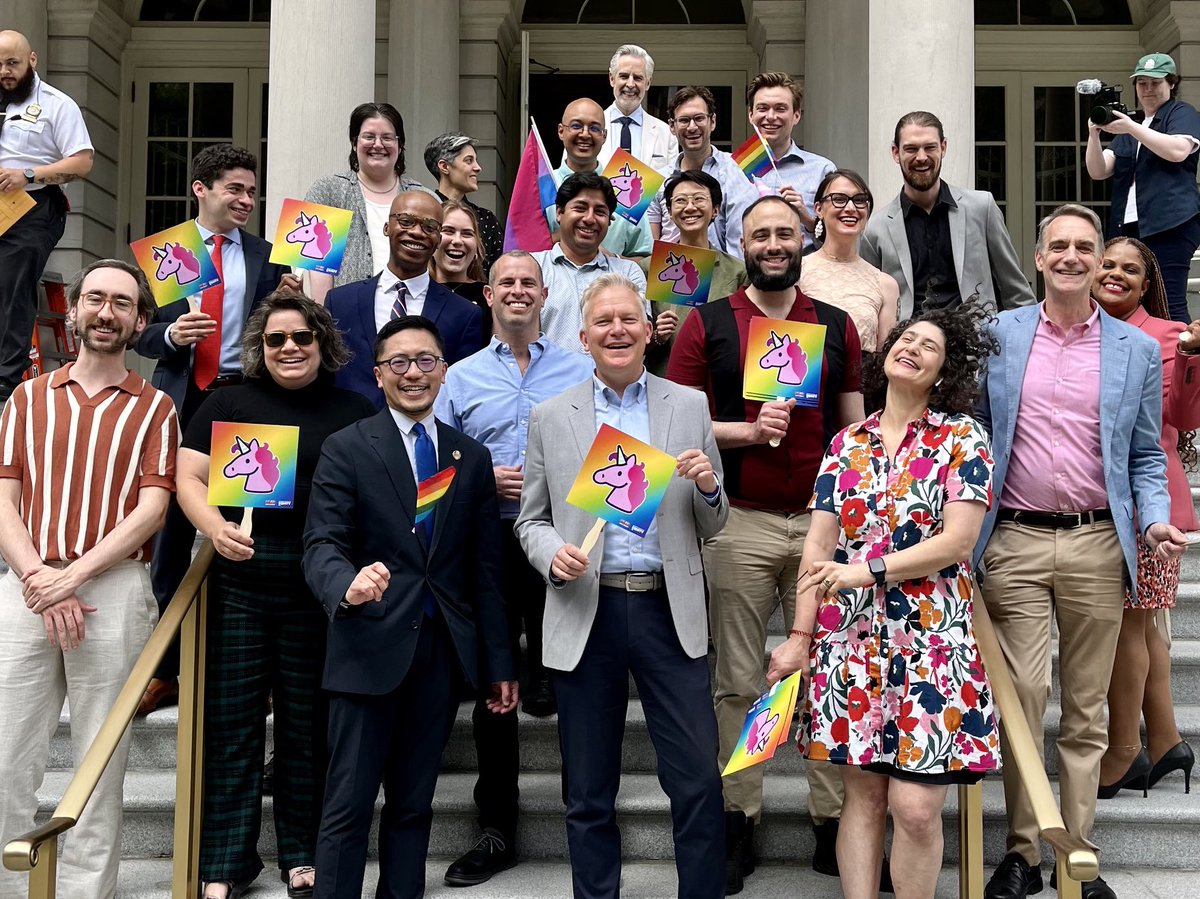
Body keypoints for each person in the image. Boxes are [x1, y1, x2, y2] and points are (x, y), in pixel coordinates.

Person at [974, 204, 1186, 899]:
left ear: (1099, 261)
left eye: (1084, 247)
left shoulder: (1133, 349)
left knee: (1087, 709)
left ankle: (1078, 855)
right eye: (1058, 245)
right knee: (1024, 697)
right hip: (1014, 539)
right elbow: (976, 434)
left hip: (1099, 542)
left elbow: (1146, 454)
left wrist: (1154, 521)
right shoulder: (1000, 334)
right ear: (1038, 258)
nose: (1071, 256)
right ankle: (1022, 852)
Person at [667, 196, 866, 894]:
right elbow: (679, 425)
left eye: (785, 232)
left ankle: (832, 821)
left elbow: (854, 429)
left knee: (827, 672)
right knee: (738, 679)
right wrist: (750, 432)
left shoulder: (835, 325)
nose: (774, 244)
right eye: (760, 235)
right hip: (740, 521)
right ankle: (740, 815)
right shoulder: (707, 322)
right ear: (742, 243)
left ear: (804, 238)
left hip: (822, 523)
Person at [767, 306, 1001, 899]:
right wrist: (798, 638)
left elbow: (958, 542)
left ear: (945, 372)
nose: (913, 348)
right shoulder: (846, 443)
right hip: (850, 643)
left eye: (930, 346)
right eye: (906, 338)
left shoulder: (962, 438)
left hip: (932, 645)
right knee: (864, 799)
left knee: (916, 809)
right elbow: (818, 546)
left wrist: (866, 571)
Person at [516, 273, 728, 899]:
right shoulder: (550, 416)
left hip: (669, 608)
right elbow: (530, 520)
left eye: (628, 319)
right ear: (583, 338)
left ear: (647, 331)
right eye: (603, 322)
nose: (617, 330)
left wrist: (708, 486)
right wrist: (552, 554)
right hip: (589, 609)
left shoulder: (688, 405)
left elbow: (714, 523)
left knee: (698, 779)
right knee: (587, 789)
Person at [303, 315, 518, 899]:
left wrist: (499, 663)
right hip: (367, 647)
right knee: (348, 804)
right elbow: (321, 543)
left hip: (440, 654)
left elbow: (485, 571)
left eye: (426, 361)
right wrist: (346, 584)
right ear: (378, 374)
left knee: (414, 803)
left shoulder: (469, 456)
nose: (413, 373)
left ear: (444, 371)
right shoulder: (347, 447)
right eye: (398, 362)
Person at [175, 293, 374, 899]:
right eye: (276, 339)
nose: (290, 347)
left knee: (305, 725)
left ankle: (302, 853)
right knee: (231, 722)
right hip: (240, 575)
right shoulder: (228, 401)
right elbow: (188, 477)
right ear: (259, 347)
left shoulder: (352, 409)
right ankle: (225, 862)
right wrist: (216, 529)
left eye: (302, 337)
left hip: (318, 581)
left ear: (323, 343)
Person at [0, 259, 177, 898]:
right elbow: (4, 498)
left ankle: (83, 891)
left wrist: (69, 578)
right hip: (26, 583)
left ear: (140, 320)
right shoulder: (26, 398)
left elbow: (152, 511)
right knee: (6, 752)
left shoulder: (156, 407)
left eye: (122, 303)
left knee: (101, 757)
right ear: (73, 310)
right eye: (96, 299)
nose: (107, 312)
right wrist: (40, 578)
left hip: (113, 587)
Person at [435, 250, 593, 887]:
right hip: (488, 546)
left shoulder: (581, 368)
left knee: (577, 683)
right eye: (507, 282)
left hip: (563, 542)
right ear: (489, 294)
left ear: (545, 294)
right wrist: (476, 479)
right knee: (496, 692)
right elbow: (429, 468)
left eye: (530, 282)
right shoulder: (459, 377)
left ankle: (587, 821)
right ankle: (497, 827)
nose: (519, 291)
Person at [135, 144, 296, 716]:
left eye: (252, 191)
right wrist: (170, 335)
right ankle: (167, 669)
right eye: (235, 189)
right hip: (186, 401)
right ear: (201, 189)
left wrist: (299, 300)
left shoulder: (269, 256)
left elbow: (287, 328)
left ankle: (263, 669)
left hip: (248, 402)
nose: (247, 200)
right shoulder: (170, 251)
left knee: (253, 529)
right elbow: (140, 332)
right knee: (173, 539)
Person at [1090, 237, 1199, 797]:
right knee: (1143, 624)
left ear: (1146, 282)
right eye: (1107, 264)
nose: (1115, 274)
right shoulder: (1076, 332)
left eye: (1129, 269)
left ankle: (1124, 748)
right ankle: (1166, 738)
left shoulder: (1165, 335)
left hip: (1149, 504)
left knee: (1130, 624)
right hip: (1098, 497)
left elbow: (1182, 415)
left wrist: (1193, 356)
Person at [861, 110, 1034, 319]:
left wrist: (1026, 332)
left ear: (943, 147)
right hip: (909, 336)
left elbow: (1015, 290)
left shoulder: (982, 208)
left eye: (930, 147)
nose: (921, 157)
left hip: (976, 335)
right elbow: (869, 304)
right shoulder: (875, 229)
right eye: (911, 149)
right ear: (895, 152)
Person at [0, 30, 94, 404]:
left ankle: (6, 377)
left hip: (32, 204)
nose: (5, 72)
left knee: (12, 281)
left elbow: (82, 162)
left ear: (32, 60)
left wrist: (28, 174)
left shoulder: (57, 105)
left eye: (12, 63)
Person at [325, 190, 484, 408]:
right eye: (406, 221)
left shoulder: (464, 314)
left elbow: (463, 391)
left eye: (429, 226)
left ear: (438, 239)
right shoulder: (340, 302)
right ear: (387, 227)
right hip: (352, 426)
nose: (417, 232)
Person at [1085, 53, 1200, 324]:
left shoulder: (1180, 112)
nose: (1148, 89)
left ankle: (1183, 352)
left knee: (1168, 301)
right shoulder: (1133, 124)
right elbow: (1098, 170)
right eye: (1142, 83)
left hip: (1171, 223)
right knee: (1126, 302)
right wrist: (1093, 134)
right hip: (1129, 227)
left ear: (1171, 84)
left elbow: (1178, 151)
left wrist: (1131, 128)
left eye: (1155, 83)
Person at [305, 102, 434, 302]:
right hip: (345, 313)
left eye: (387, 138)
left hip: (411, 310)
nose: (378, 145)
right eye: (369, 136)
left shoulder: (425, 197)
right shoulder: (326, 190)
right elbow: (314, 267)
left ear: (400, 145)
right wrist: (326, 317)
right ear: (354, 142)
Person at [532, 172, 667, 354]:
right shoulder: (533, 268)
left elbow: (640, 338)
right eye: (580, 208)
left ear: (609, 220)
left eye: (600, 212)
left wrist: (659, 336)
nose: (589, 218)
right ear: (559, 212)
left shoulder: (628, 273)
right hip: (548, 373)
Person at [646, 86, 759, 259]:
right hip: (670, 273)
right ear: (672, 126)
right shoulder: (656, 179)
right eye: (684, 120)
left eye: (699, 118)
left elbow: (740, 242)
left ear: (712, 121)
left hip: (723, 272)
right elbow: (650, 248)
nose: (692, 127)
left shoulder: (737, 170)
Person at [800, 169, 899, 356]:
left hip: (862, 374)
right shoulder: (796, 272)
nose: (851, 208)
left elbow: (884, 361)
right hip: (803, 372)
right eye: (839, 199)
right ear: (819, 209)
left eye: (859, 200)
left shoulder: (885, 285)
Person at [552, 97, 652, 258]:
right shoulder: (541, 185)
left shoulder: (626, 186)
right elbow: (522, 248)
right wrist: (562, 234)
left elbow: (646, 258)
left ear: (604, 135)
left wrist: (613, 260)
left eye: (594, 128)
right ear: (561, 131)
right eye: (576, 126)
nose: (585, 134)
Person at [745, 71, 835, 241]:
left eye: (780, 108)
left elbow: (836, 240)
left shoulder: (822, 170)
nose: (771, 117)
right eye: (762, 108)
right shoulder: (731, 170)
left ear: (796, 116)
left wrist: (807, 219)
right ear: (751, 115)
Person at [424, 132, 503, 274]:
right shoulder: (424, 214)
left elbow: (497, 273)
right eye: (469, 161)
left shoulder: (486, 219)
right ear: (444, 166)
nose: (478, 168)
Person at [596, 44, 677, 169]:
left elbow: (672, 178)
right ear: (612, 79)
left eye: (638, 78)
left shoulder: (666, 134)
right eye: (624, 76)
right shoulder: (591, 128)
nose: (630, 84)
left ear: (648, 83)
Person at [430, 198, 488, 310]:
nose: (457, 241)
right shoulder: (411, 292)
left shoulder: (490, 297)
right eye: (448, 231)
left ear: (477, 247)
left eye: (467, 234)